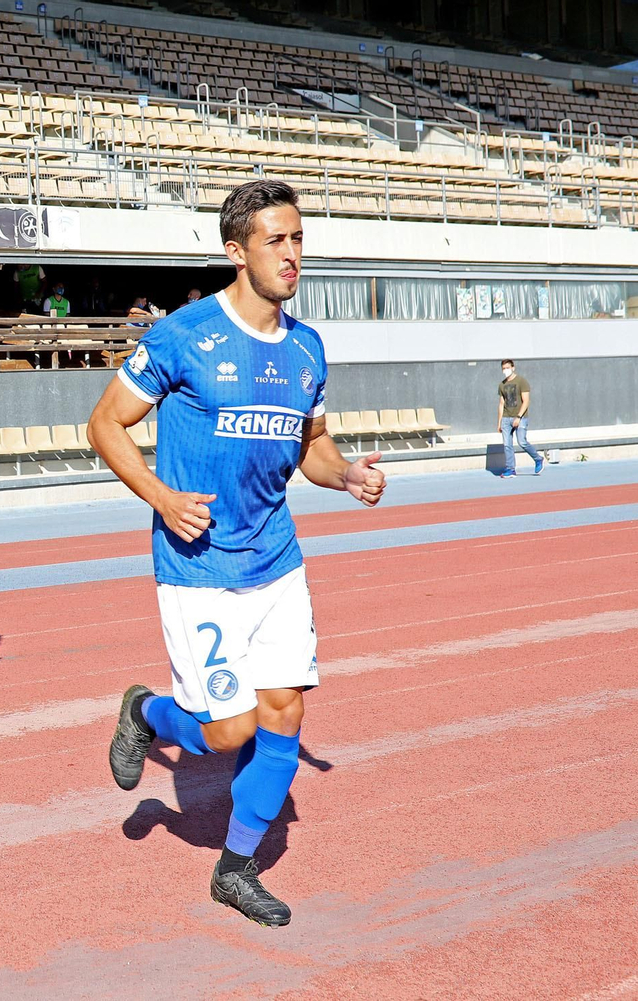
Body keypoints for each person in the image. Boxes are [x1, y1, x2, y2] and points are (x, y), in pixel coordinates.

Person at [90, 180, 385, 926]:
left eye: (298, 239)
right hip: (198, 564)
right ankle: (148, 712)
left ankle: (235, 867)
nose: (291, 255)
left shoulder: (308, 347)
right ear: (236, 250)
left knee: (283, 711)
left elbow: (312, 446)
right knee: (228, 730)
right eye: (275, 241)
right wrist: (161, 496)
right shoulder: (184, 335)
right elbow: (105, 425)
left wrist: (345, 473)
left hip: (275, 560)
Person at [498, 359, 543, 477]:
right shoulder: (502, 385)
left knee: (522, 442)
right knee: (507, 444)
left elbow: (526, 401)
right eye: (504, 368)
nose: (506, 370)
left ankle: (538, 459)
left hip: (520, 418)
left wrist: (518, 417)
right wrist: (499, 422)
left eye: (508, 367)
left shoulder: (521, 381)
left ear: (513, 368)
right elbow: (501, 404)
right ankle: (510, 469)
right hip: (506, 418)